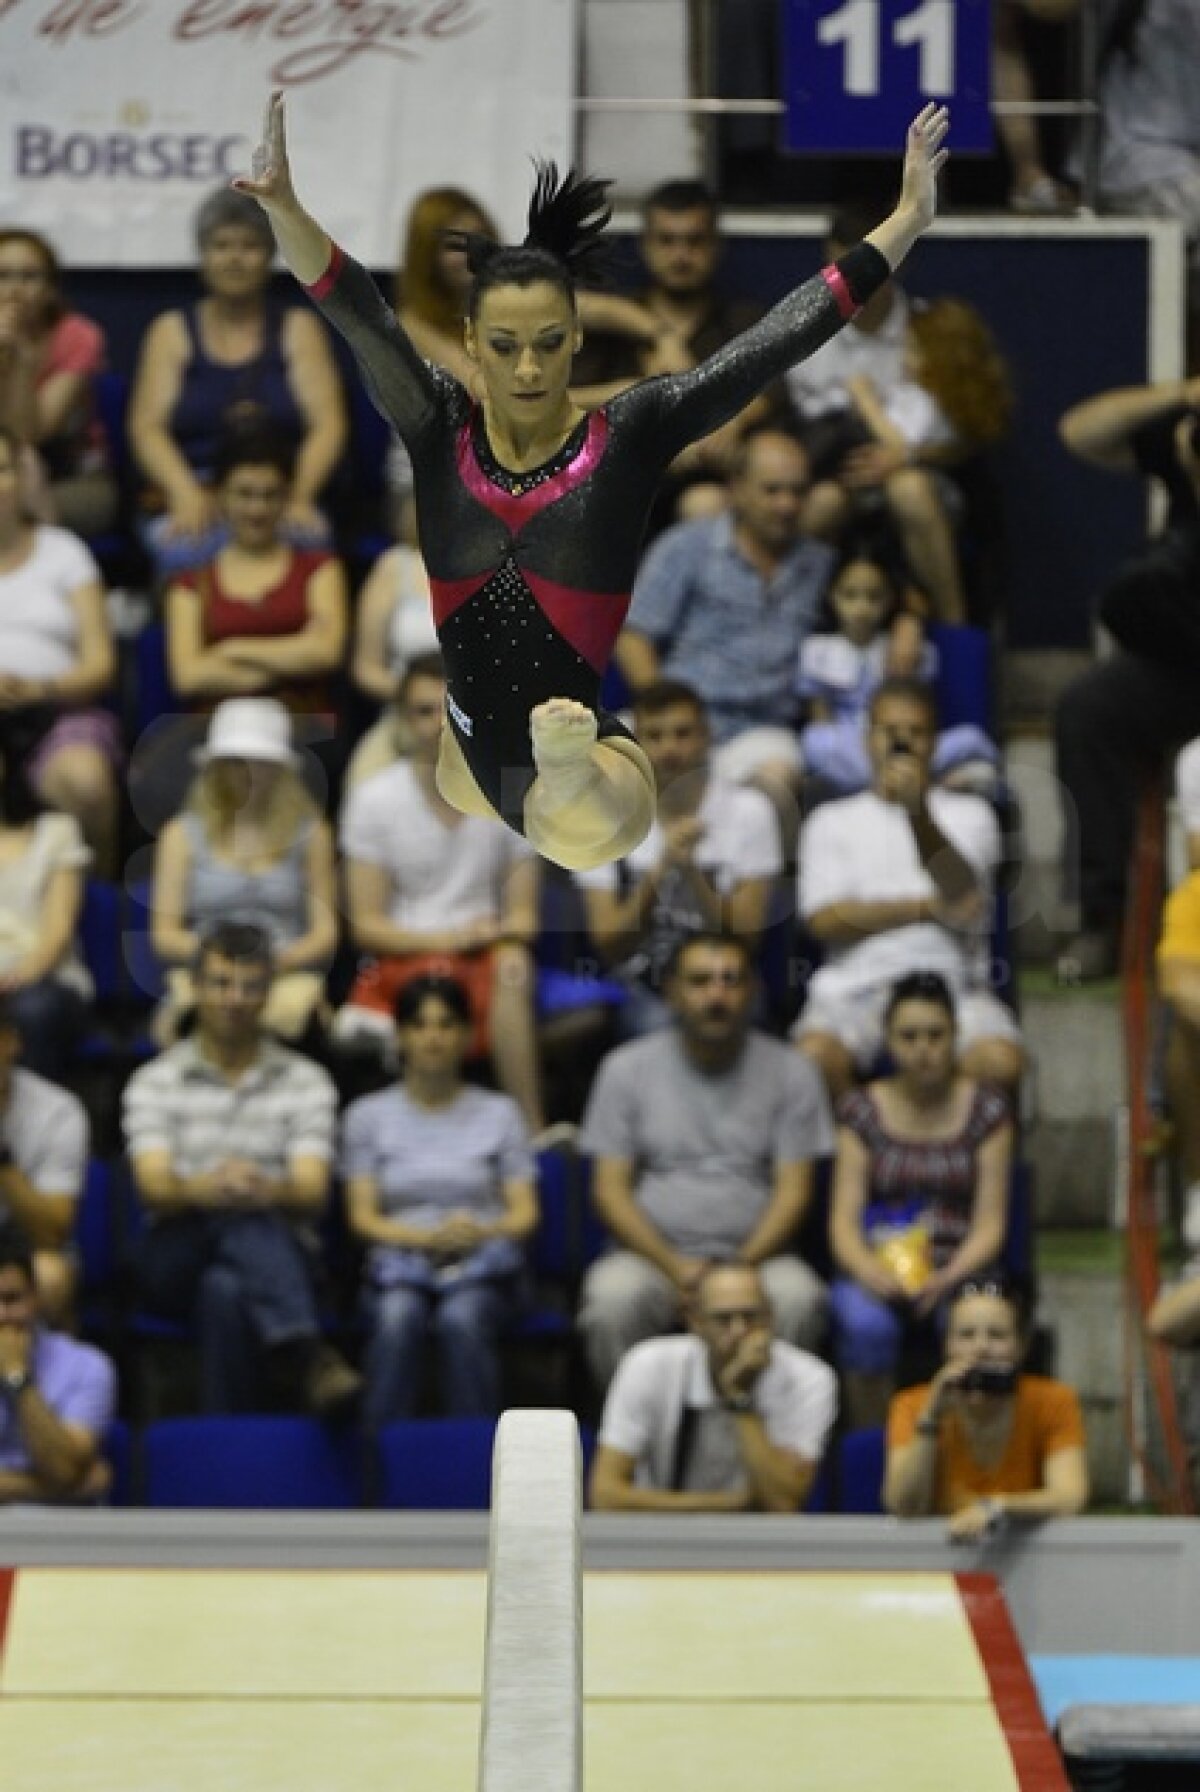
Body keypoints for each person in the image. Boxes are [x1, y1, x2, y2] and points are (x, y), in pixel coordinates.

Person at [234, 95, 950, 869]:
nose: (530, 368)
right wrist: (283, 207)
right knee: (482, 777)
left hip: (588, 774)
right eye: (504, 346)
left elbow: (771, 344)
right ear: (472, 340)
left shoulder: (627, 437)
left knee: (570, 819)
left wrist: (905, 221)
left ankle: (567, 766)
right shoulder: (438, 428)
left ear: (578, 335)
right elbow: (362, 315)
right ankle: (536, 766)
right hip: (467, 758)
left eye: (549, 342)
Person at [577, 932, 832, 1394]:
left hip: (761, 1257)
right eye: (700, 982)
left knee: (799, 1299)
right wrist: (677, 1268)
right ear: (672, 991)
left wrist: (734, 1270)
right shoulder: (625, 1069)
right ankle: (634, 1447)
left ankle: (775, 1446)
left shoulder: (793, 1071)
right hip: (652, 1260)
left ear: (752, 990)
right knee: (611, 1301)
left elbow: (795, 1191)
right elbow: (609, 1190)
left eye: (729, 981)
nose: (716, 995)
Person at [123, 921, 359, 1417]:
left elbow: (312, 1192)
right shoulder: (155, 1082)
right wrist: (212, 1188)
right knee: (235, 1217)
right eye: (221, 983)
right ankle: (307, 1353)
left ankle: (233, 1450)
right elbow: (154, 1189)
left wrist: (259, 1188)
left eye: (251, 986)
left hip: (285, 1253)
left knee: (224, 1291)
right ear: (195, 988)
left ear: (269, 992)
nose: (235, 999)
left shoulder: (305, 1080)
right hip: (174, 1253)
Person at [337, 653, 546, 1135]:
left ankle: (533, 1130)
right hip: (404, 959)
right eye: (423, 711)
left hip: (485, 955)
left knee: (514, 963)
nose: (436, 724)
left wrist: (486, 936)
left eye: (447, 709)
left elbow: (525, 919)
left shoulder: (510, 793)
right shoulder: (374, 800)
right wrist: (452, 939)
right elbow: (367, 927)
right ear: (403, 720)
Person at [795, 677, 1024, 1100]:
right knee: (812, 1059)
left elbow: (961, 896)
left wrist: (917, 812)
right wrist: (925, 907)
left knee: (999, 1062)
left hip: (952, 983)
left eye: (915, 732)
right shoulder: (829, 820)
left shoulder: (973, 813)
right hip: (854, 987)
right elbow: (824, 920)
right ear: (867, 739)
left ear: (934, 743)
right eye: (889, 731)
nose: (901, 743)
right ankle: (868, 1150)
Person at [344, 973, 537, 1430]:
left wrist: (477, 1234)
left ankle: (474, 1468)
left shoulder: (501, 1113)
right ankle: (379, 1465)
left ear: (468, 1035)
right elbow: (362, 1218)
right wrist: (426, 1238)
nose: (433, 1037)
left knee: (461, 1318)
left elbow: (526, 1214)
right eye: (420, 1025)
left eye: (447, 1024)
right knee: (398, 1316)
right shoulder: (366, 1116)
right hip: (396, 1265)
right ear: (401, 1035)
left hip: (485, 1265)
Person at [1055, 375, 1200, 979]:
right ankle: (1103, 922)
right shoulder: (1187, 431)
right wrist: (1181, 395)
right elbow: (1079, 433)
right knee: (1089, 708)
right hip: (1184, 656)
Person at [129, 185, 347, 583]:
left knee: (311, 544)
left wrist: (297, 497)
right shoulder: (170, 331)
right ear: (203, 256)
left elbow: (328, 427)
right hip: (194, 487)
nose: (234, 258)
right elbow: (148, 429)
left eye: (248, 246)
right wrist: (185, 494)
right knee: (185, 552)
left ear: (270, 256)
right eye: (221, 245)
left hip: (276, 491)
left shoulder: (299, 330)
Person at [829, 972, 1014, 1427]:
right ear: (888, 1042)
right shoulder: (860, 1110)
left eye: (936, 1035)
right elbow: (842, 1223)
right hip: (879, 1264)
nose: (923, 1049)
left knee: (979, 1334)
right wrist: (870, 1271)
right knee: (864, 1327)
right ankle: (873, 1462)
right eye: (908, 1036)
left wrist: (949, 1277)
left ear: (955, 1037)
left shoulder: (988, 1110)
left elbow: (990, 1226)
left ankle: (964, 1456)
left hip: (961, 1262)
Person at [615, 427, 833, 801]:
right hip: (680, 717)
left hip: (758, 730)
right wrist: (665, 716)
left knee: (778, 780)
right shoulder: (687, 545)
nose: (787, 505)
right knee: (594, 765)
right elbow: (634, 635)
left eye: (797, 492)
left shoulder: (820, 563)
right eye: (772, 490)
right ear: (736, 489)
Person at [785, 208, 979, 623]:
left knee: (908, 489)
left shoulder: (935, 332)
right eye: (843, 269)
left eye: (870, 268)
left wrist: (908, 457)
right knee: (819, 503)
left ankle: (955, 629)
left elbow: (971, 434)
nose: (856, 284)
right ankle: (787, 631)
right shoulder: (804, 337)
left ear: (900, 259)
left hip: (923, 473)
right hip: (834, 477)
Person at [576, 680, 782, 1037]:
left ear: (706, 736)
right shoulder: (604, 817)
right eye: (654, 736)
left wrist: (693, 873)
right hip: (641, 983)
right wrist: (662, 869)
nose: (669, 748)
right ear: (635, 744)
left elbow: (748, 939)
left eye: (682, 734)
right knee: (654, 1025)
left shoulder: (750, 812)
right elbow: (609, 942)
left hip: (724, 977)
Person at [149, 698, 337, 1046]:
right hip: (208, 976)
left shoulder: (311, 834)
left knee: (301, 1017)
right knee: (195, 1014)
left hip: (285, 973)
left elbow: (325, 932)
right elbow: (165, 935)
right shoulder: (180, 835)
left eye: (261, 763)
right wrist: (223, 962)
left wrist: (272, 961)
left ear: (281, 768)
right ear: (216, 766)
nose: (248, 773)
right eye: (237, 762)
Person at [589, 1261, 836, 1512]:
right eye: (724, 1319)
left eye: (751, 1317)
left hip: (758, 1542)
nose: (740, 1331)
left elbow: (783, 1504)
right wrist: (731, 1504)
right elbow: (605, 1496)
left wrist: (739, 1399)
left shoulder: (810, 1378)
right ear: (695, 1321)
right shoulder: (648, 1364)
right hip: (662, 1535)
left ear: (771, 1316)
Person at [885, 1276, 1089, 1541]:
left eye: (997, 1335)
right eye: (966, 1335)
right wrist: (931, 1418)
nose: (981, 1348)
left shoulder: (1054, 1401)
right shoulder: (912, 1405)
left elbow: (1069, 1498)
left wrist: (997, 1507)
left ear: (1021, 1346)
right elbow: (903, 1506)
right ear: (946, 1346)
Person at [164, 427, 348, 720]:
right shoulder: (191, 583)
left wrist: (232, 648)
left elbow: (326, 653)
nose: (257, 509)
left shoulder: (319, 568)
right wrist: (292, 658)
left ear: (286, 496)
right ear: (220, 496)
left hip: (305, 726)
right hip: (218, 728)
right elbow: (188, 677)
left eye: (270, 494)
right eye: (244, 494)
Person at [0, 424, 120, 872]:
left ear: (21, 478)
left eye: (2, 470)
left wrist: (38, 689)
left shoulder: (64, 553)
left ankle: (96, 910)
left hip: (57, 715)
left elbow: (100, 664)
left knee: (85, 782)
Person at [797, 539, 998, 795]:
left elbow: (922, 711)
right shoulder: (817, 651)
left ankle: (906, 777)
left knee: (971, 738)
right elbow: (821, 718)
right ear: (831, 595)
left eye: (873, 597)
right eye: (850, 595)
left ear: (890, 599)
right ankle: (900, 782)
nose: (861, 608)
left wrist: (904, 674)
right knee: (814, 740)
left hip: (907, 741)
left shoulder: (907, 647)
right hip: (851, 745)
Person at [0, 228, 118, 537]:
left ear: (51, 289)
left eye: (29, 277)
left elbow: (30, 436)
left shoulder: (79, 336)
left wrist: (21, 361)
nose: (14, 290)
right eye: (3, 276)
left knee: (21, 491)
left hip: (72, 479)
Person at [0, 717, 93, 1080]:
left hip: (43, 978)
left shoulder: (56, 831)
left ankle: (32, 1129)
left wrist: (12, 978)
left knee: (33, 1010)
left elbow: (57, 933)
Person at [0, 1221, 115, 1505]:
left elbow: (63, 1472)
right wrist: (46, 1488)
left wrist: (16, 1375)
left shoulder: (86, 1367)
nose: (1, 1316)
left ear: (35, 1298)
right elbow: (71, 1482)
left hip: (58, 1538)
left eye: (11, 1299)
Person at [0, 996, 89, 1329]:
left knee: (50, 1276)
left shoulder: (58, 1111)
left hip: (28, 1250)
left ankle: (40, 1378)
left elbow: (52, 1233)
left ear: (11, 1042)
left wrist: (3, 1162)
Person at [345, 532, 438, 790]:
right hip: (405, 715)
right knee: (363, 782)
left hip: (480, 717)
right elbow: (366, 668)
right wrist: (417, 697)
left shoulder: (498, 564)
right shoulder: (395, 566)